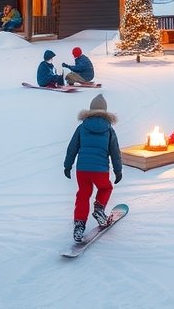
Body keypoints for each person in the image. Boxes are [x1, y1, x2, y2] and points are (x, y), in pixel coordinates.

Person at [63, 94, 122, 243]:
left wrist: (67, 165)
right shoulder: (108, 130)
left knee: (83, 194)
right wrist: (118, 170)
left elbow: (72, 148)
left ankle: (79, 225)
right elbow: (115, 151)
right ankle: (99, 209)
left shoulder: (82, 127)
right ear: (105, 112)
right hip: (100, 171)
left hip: (82, 170)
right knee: (106, 188)